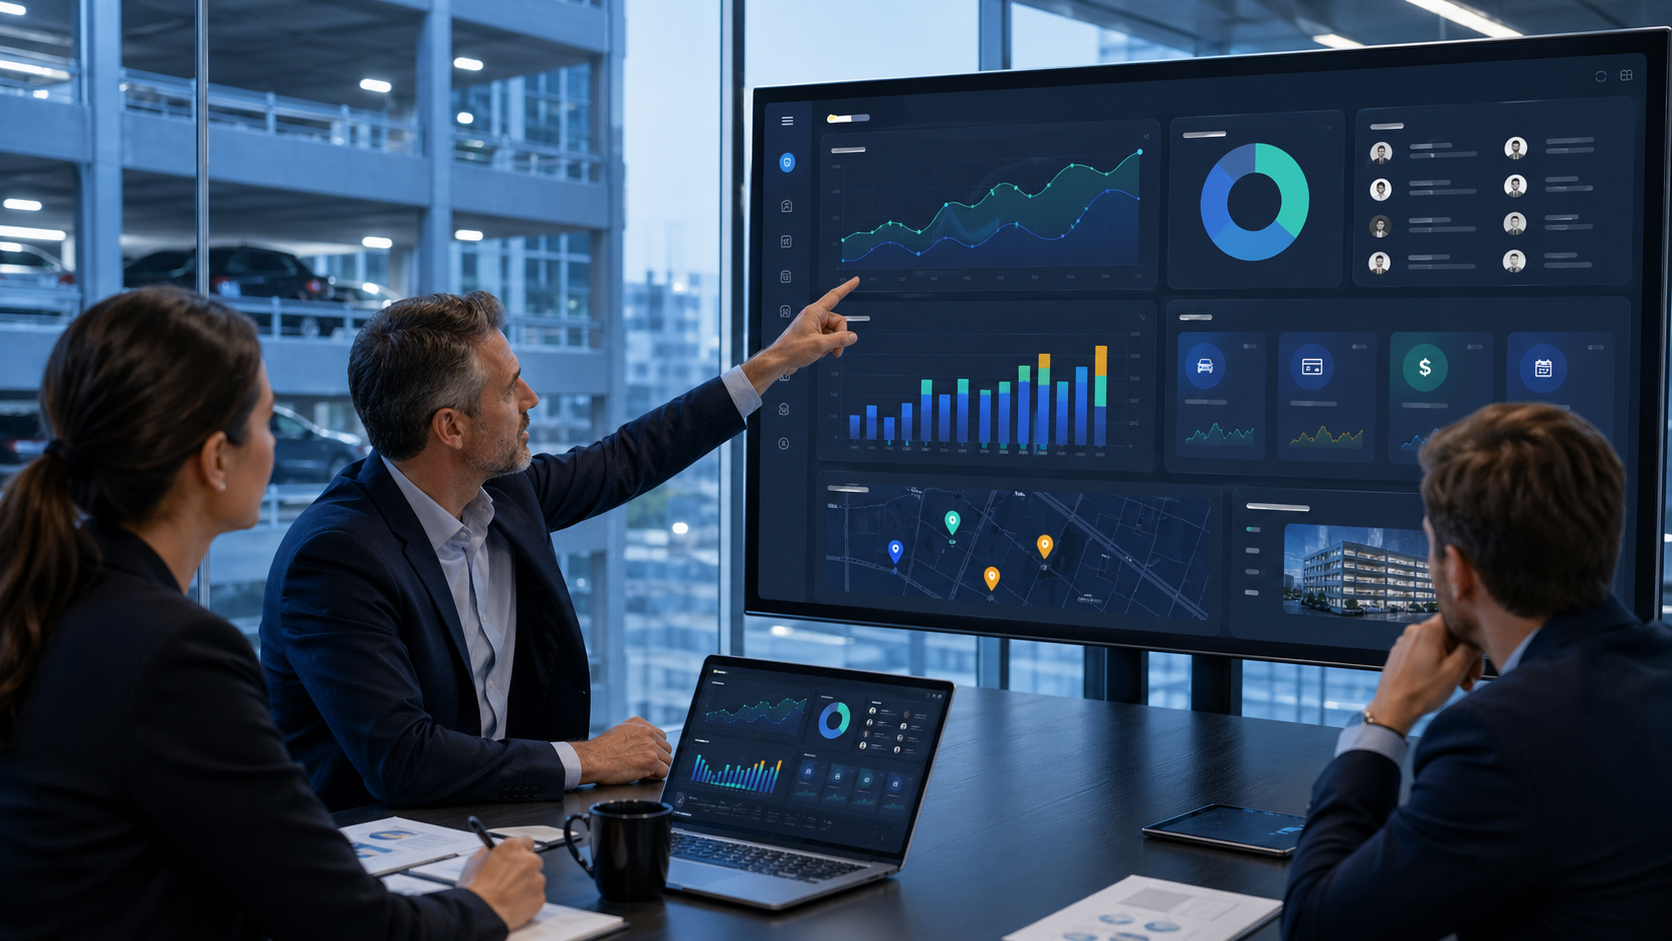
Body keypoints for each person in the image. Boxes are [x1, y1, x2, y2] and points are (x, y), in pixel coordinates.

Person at [0, 289, 547, 939]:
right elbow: (351, 926)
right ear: (216, 459)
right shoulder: (175, 654)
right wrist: (486, 902)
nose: (274, 445)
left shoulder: (58, 600)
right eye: (266, 421)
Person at [262, 280, 860, 811]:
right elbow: (403, 761)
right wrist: (591, 758)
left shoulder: (505, 493)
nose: (530, 399)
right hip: (378, 858)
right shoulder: (336, 557)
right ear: (451, 427)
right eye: (509, 389)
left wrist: (775, 362)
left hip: (502, 824)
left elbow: (630, 457)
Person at [1284, 403, 1672, 940]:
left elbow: (1317, 927)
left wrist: (1385, 717)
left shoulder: (1499, 740)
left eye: (1431, 548)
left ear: (1460, 572)